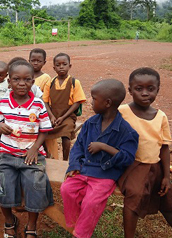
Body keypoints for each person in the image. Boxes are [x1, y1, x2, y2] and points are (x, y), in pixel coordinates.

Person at [60, 79, 139, 238]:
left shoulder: (126, 131)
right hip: (84, 169)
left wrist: (104, 147)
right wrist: (74, 165)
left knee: (92, 202)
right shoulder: (91, 123)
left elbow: (127, 158)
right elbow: (78, 146)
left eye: (94, 98)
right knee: (67, 189)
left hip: (105, 174)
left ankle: (82, 233)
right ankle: (76, 223)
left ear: (108, 103)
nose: (90, 102)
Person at [0, 61, 54, 238]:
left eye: (27, 79)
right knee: (2, 185)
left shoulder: (38, 104)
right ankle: (9, 221)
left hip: (31, 155)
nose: (22, 83)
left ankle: (31, 225)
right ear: (9, 82)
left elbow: (44, 129)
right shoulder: (3, 103)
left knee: (35, 185)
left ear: (33, 82)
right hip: (7, 154)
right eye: (16, 79)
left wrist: (35, 148)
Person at [118, 67, 172, 238]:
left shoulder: (160, 116)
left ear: (158, 89)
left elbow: (164, 147)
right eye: (138, 89)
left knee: (169, 198)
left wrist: (166, 176)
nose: (145, 93)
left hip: (155, 166)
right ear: (130, 90)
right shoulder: (122, 112)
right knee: (134, 194)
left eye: (151, 89)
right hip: (132, 165)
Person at [42, 53, 86, 161]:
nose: (61, 67)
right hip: (53, 115)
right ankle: (47, 155)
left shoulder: (74, 82)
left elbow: (77, 102)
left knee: (66, 135)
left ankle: (65, 160)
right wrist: (51, 116)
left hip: (68, 116)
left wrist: (63, 117)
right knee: (41, 130)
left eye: (64, 64)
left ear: (69, 66)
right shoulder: (50, 83)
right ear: (54, 68)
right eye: (58, 65)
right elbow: (45, 102)